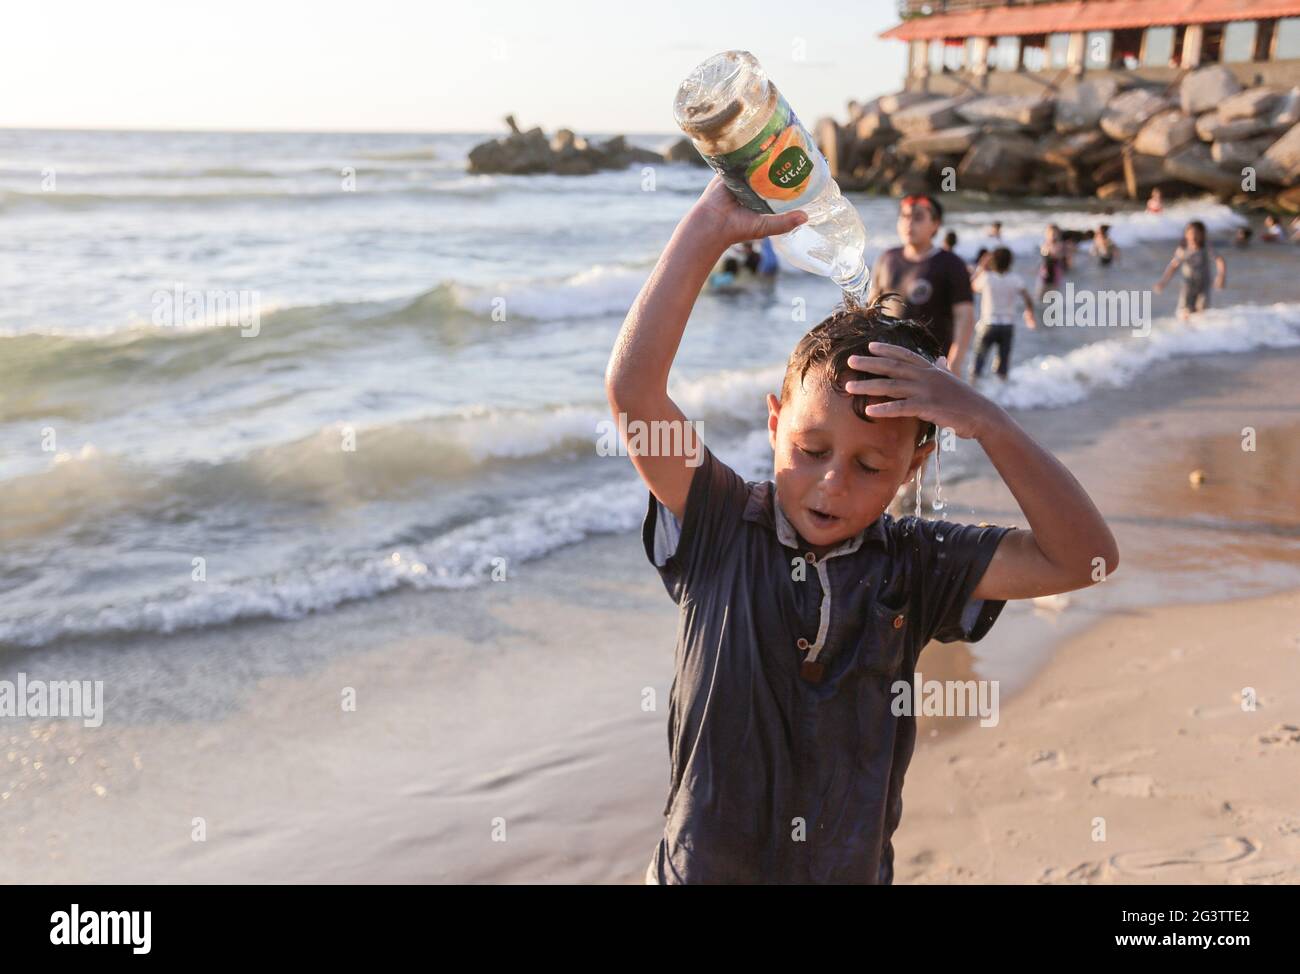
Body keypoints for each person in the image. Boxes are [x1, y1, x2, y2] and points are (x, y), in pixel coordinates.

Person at [605, 174, 1120, 885]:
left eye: (871, 465)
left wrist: (989, 421)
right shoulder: (721, 525)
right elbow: (634, 391)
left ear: (914, 466)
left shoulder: (917, 563)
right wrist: (706, 230)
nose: (832, 484)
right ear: (774, 421)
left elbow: (1085, 558)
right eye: (811, 451)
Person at [866, 194, 975, 377]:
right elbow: (871, 309)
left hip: (932, 366)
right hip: (888, 361)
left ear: (935, 224)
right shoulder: (886, 259)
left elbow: (965, 317)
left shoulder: (950, 264)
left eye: (918, 217)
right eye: (905, 216)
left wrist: (954, 363)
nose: (909, 223)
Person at [970, 247, 1035, 381]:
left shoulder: (987, 278)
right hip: (1007, 325)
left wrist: (981, 267)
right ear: (1010, 262)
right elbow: (1028, 298)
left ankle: (974, 390)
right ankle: (1002, 395)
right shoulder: (1015, 279)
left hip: (988, 324)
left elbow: (972, 286)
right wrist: (1029, 313)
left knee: (978, 364)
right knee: (1003, 365)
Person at [1155, 220, 1226, 319]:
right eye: (1191, 233)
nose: (1193, 237)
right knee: (1184, 311)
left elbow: (1219, 260)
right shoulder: (1183, 250)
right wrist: (1163, 282)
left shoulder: (1206, 248)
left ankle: (1200, 332)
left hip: (1203, 285)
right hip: (1187, 285)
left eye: (1197, 234)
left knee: (1201, 311)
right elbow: (1173, 266)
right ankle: (1185, 331)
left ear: (1203, 235)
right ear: (1186, 235)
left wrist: (1221, 276)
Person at [1035, 224, 1070, 301]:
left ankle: (1053, 309)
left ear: (1058, 234)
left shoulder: (1061, 246)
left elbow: (1066, 260)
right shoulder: (1044, 245)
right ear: (1046, 235)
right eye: (1050, 234)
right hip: (1044, 272)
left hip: (1056, 271)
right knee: (1040, 295)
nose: (1052, 236)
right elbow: (1041, 260)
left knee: (1054, 294)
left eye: (1054, 234)